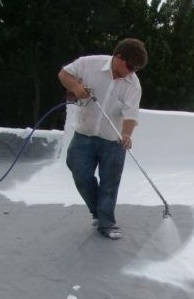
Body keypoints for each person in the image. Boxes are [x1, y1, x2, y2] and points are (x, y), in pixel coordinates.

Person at [58, 38, 148, 239]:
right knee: (79, 172)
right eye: (130, 66)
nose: (132, 72)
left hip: (113, 142)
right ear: (118, 58)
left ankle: (107, 223)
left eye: (136, 69)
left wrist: (126, 135)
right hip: (84, 135)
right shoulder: (89, 64)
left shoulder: (133, 84)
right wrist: (75, 87)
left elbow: (131, 114)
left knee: (110, 183)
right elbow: (64, 74)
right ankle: (98, 211)